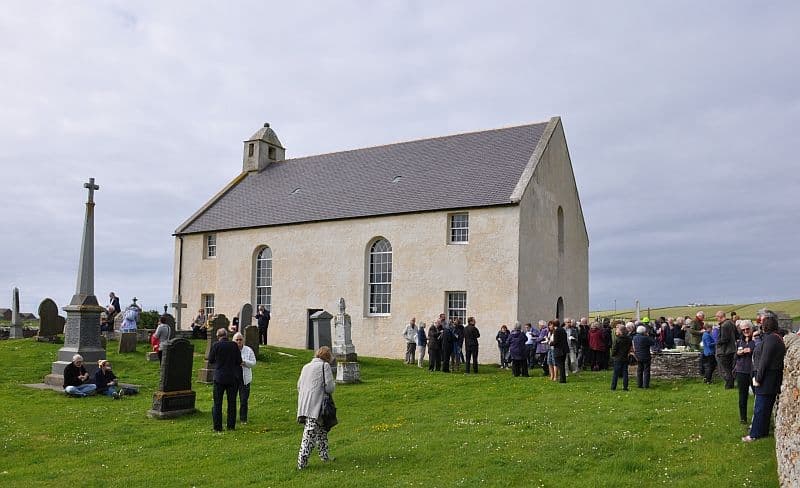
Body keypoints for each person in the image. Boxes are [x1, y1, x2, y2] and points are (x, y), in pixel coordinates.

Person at [743, 315, 786, 442]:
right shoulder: (775, 337)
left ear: (765, 327)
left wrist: (758, 378)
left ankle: (755, 434)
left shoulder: (771, 339)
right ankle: (763, 431)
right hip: (771, 378)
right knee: (765, 408)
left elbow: (764, 361)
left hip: (767, 379)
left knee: (760, 408)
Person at [296, 346, 335, 469]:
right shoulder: (325, 366)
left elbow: (299, 385)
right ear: (328, 357)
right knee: (310, 433)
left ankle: (324, 456)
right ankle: (301, 462)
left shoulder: (306, 367)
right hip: (317, 405)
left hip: (305, 404)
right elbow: (329, 388)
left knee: (322, 431)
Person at [208, 328, 243, 432]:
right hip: (232, 377)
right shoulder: (234, 345)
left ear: (218, 336)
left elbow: (210, 360)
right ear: (226, 335)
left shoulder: (216, 345)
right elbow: (239, 361)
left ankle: (217, 427)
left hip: (219, 377)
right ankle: (231, 426)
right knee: (232, 403)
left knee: (217, 403)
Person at [734, 321, 756, 424]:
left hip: (753, 371)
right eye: (743, 330)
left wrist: (751, 350)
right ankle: (743, 418)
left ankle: (757, 418)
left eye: (747, 329)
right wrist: (738, 353)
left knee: (757, 395)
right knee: (742, 395)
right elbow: (735, 356)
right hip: (741, 371)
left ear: (751, 328)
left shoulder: (756, 340)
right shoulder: (740, 341)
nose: (746, 331)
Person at [233, 332, 257, 424]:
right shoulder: (231, 350)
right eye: (237, 340)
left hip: (245, 379)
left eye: (240, 340)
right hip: (233, 379)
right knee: (232, 400)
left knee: (243, 400)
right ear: (234, 341)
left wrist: (244, 362)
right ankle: (232, 418)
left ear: (243, 340)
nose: (239, 341)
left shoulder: (248, 350)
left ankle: (243, 419)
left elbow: (253, 363)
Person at [714, 311, 737, 389]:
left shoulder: (724, 325)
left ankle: (729, 385)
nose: (717, 319)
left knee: (726, 369)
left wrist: (717, 342)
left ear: (720, 317)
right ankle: (731, 383)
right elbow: (736, 335)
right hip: (732, 349)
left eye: (717, 317)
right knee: (730, 368)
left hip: (725, 350)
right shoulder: (731, 323)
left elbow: (725, 339)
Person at [610, 324, 632, 391]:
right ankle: (625, 387)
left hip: (618, 358)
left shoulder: (618, 339)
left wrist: (613, 355)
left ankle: (613, 387)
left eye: (617, 330)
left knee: (615, 373)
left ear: (620, 331)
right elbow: (629, 348)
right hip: (625, 357)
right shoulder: (629, 339)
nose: (616, 331)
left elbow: (614, 349)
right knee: (625, 373)